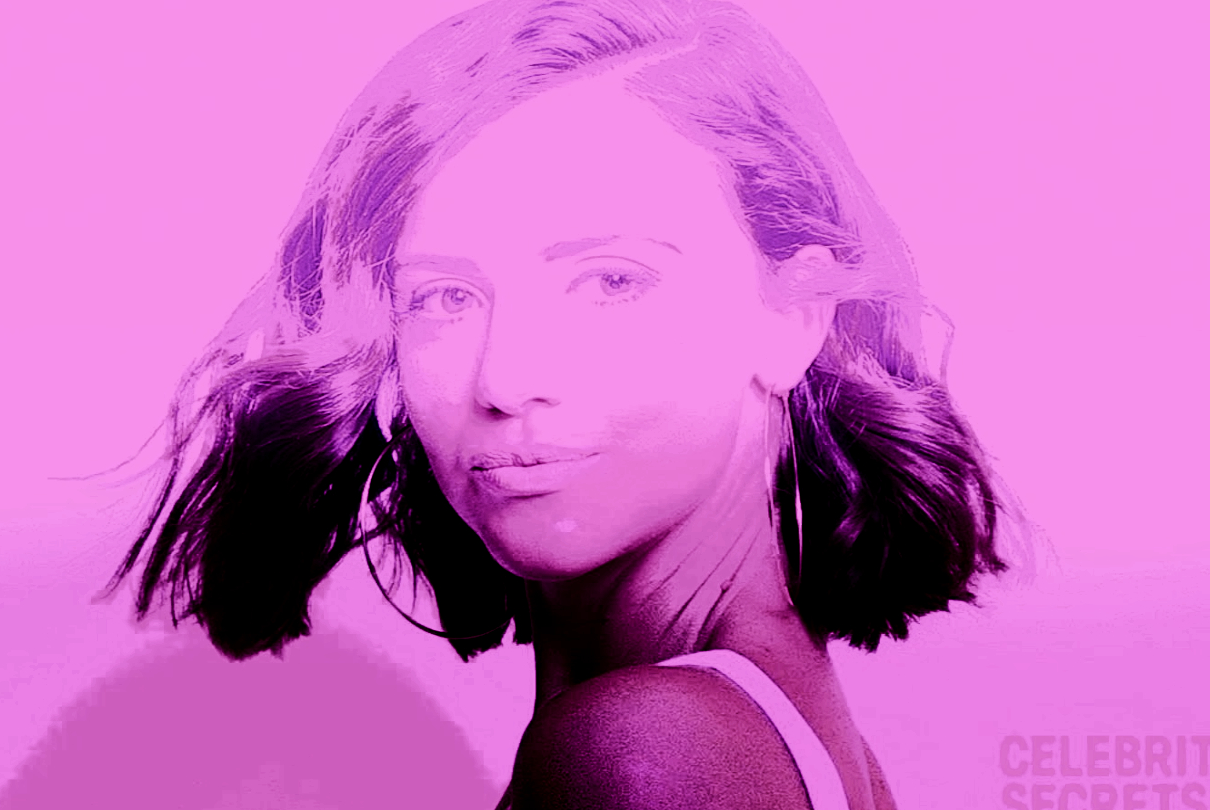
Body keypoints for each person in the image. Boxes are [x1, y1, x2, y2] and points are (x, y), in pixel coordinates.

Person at [104, 1, 1019, 807]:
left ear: (792, 317)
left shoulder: (646, 752)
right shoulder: (769, 724)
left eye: (611, 281)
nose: (503, 382)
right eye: (445, 297)